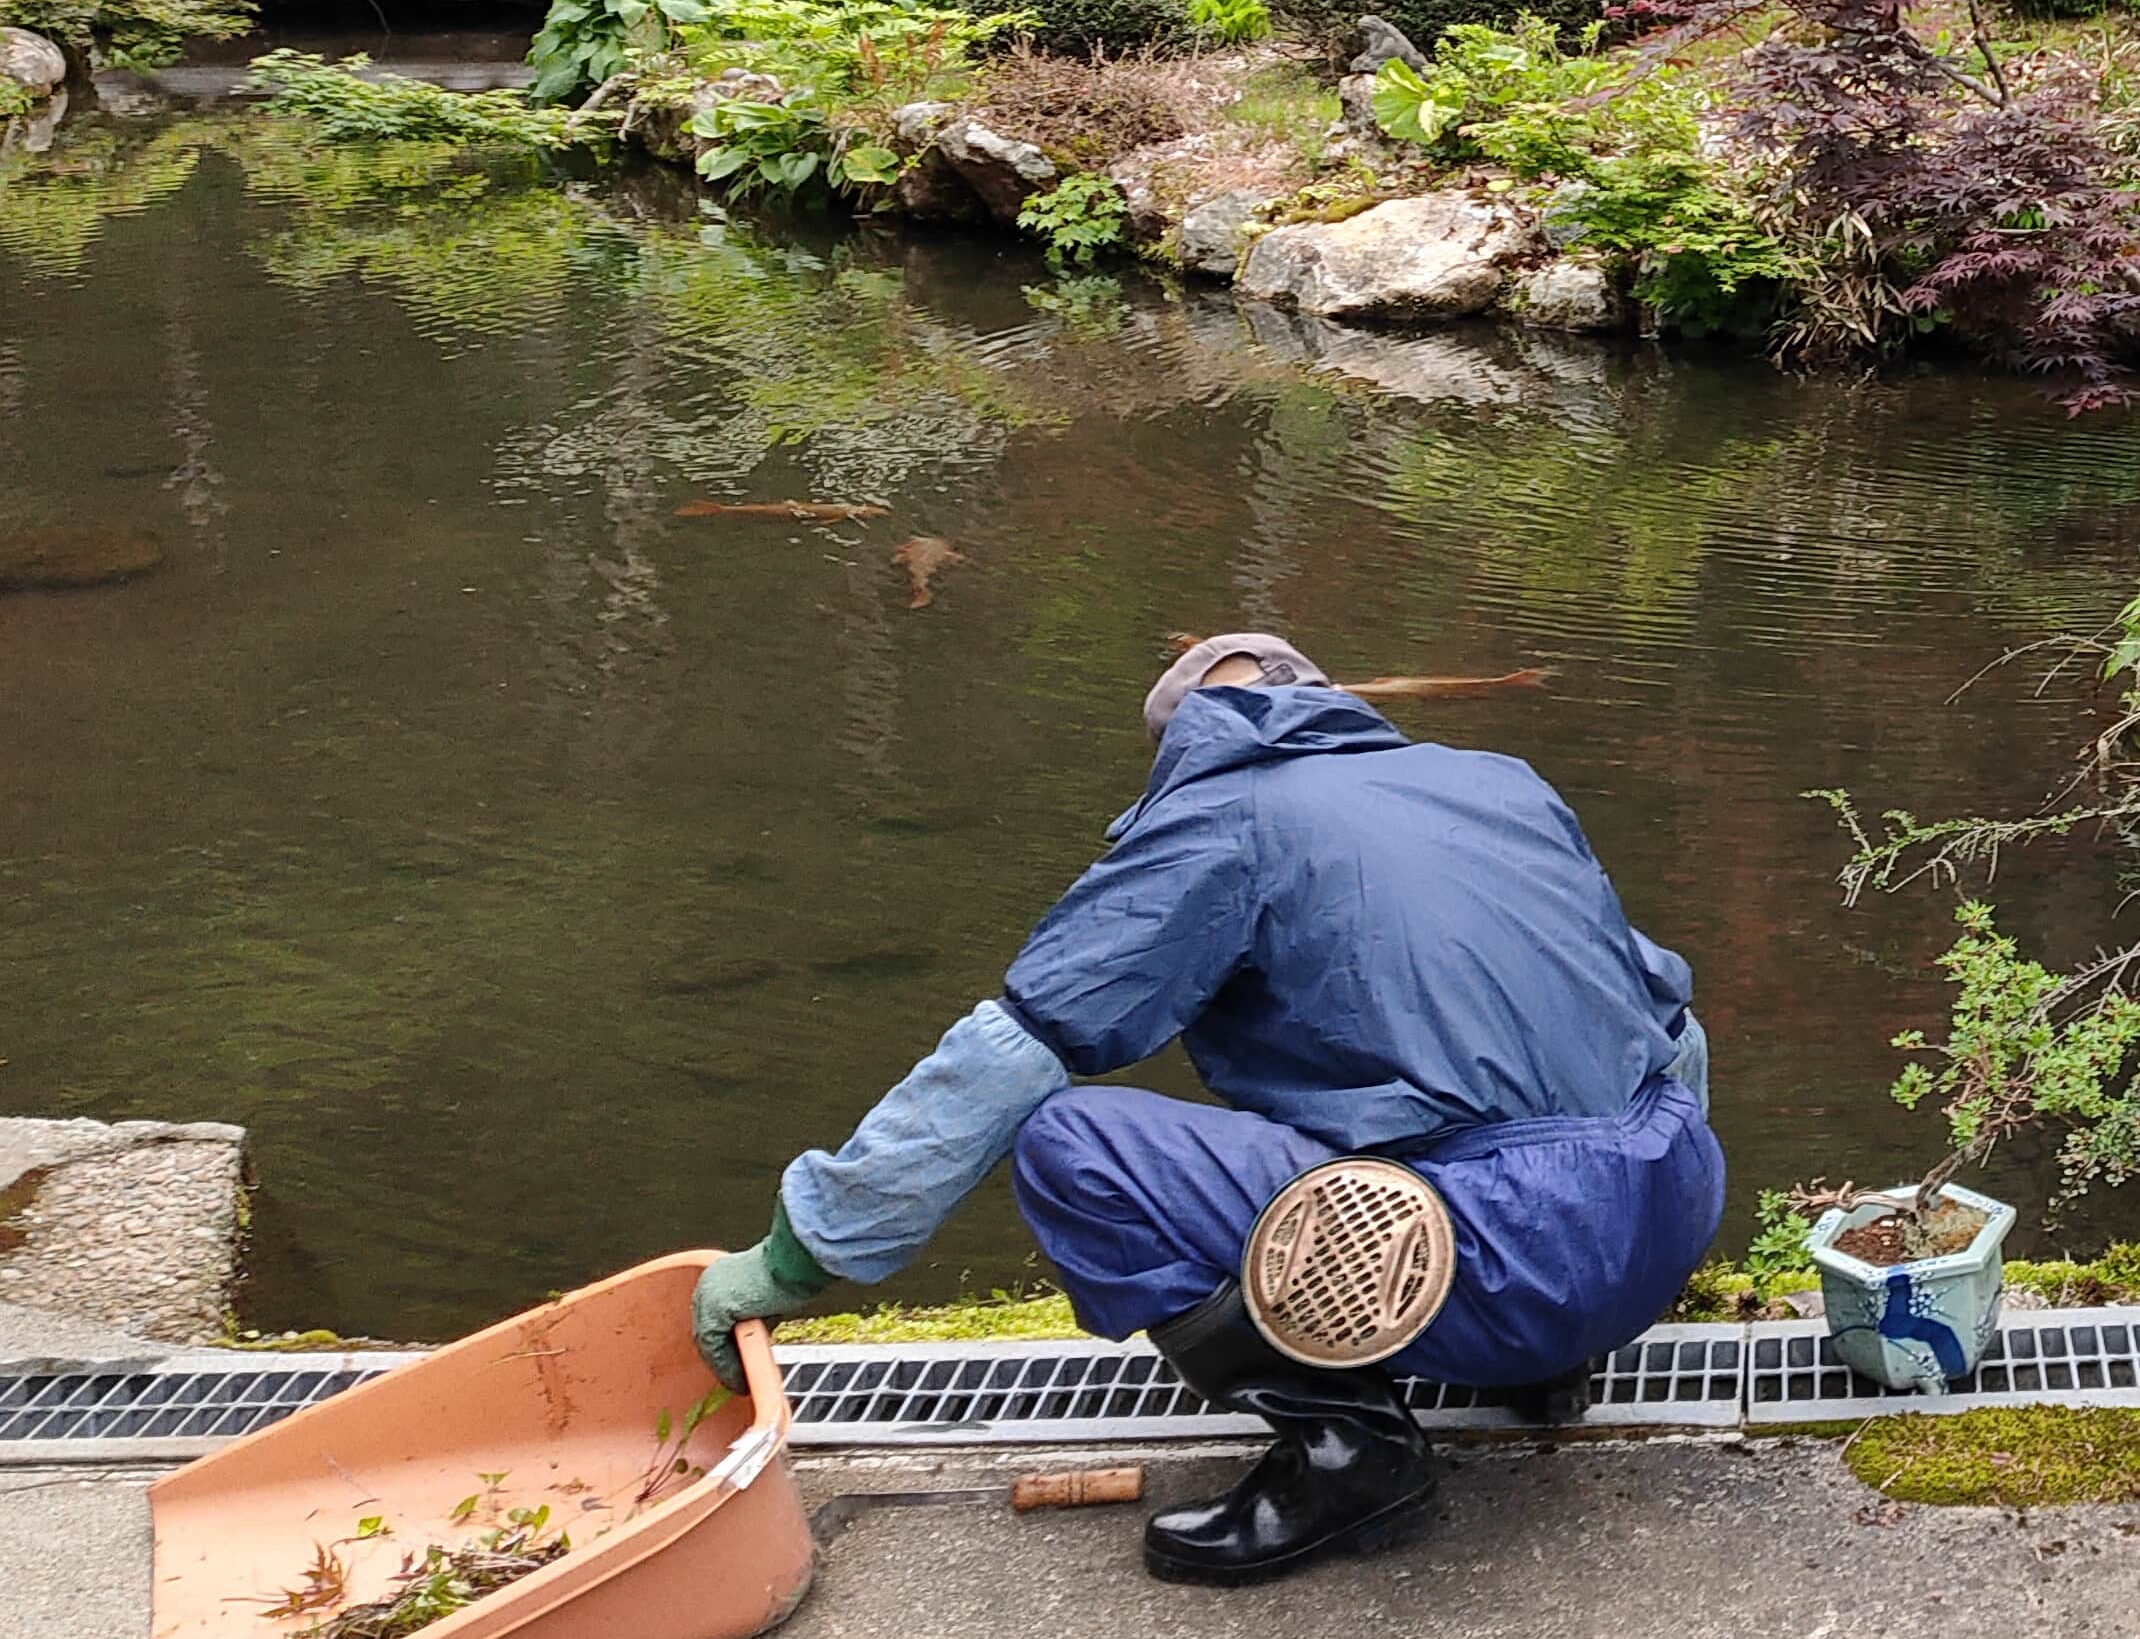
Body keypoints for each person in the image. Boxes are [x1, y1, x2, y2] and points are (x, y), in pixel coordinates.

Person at [689, 632, 1722, 1586]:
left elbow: (1015, 1048)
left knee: (1070, 1145)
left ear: (1183, 745)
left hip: (1503, 1262)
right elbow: (1667, 1019)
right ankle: (1553, 1365)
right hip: (1661, 1225)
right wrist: (1619, 1248)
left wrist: (805, 1252)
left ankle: (1351, 1454)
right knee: (1517, 1097)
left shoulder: (1220, 818)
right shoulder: (1497, 784)